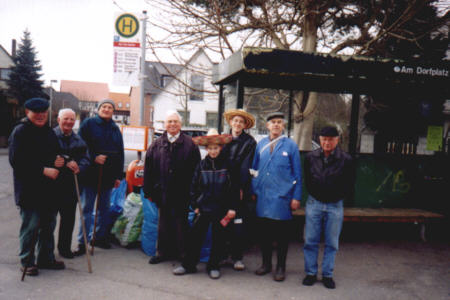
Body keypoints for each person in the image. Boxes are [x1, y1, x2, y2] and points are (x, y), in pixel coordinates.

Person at [9, 98, 66, 276]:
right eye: (36, 113)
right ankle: (27, 261)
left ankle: (45, 258)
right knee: (31, 226)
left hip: (48, 189)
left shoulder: (48, 132)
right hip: (30, 189)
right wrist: (43, 170)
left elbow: (56, 153)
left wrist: (59, 160)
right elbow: (17, 161)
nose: (41, 115)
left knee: (48, 225)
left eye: (44, 112)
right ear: (27, 112)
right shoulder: (20, 131)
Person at [173, 129, 238, 279]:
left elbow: (235, 188)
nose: (213, 151)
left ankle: (214, 266)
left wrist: (232, 208)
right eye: (210, 148)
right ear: (206, 149)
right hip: (203, 208)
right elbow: (193, 187)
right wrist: (195, 204)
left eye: (216, 148)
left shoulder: (229, 165)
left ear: (220, 148)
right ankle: (188, 265)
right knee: (195, 237)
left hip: (221, 208)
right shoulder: (201, 165)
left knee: (218, 239)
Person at [143, 110, 201, 264]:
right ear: (164, 125)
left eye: (175, 121)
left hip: (182, 192)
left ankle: (183, 255)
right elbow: (148, 169)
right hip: (162, 191)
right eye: (169, 122)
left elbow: (197, 171)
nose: (172, 124)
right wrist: (148, 190)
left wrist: (193, 193)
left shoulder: (190, 144)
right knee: (163, 223)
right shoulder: (156, 145)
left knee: (181, 224)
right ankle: (162, 253)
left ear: (180, 124)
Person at [251, 111, 301, 282]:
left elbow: (297, 174)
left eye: (279, 122)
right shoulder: (260, 145)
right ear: (267, 126)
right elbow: (254, 170)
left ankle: (281, 267)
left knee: (281, 236)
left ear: (283, 125)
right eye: (273, 122)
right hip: (263, 197)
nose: (276, 125)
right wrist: (254, 190)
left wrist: (296, 197)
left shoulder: (291, 146)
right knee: (264, 234)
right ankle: (266, 264)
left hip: (282, 198)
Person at [302, 126, 354, 289]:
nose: (327, 142)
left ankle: (327, 275)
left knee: (332, 242)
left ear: (337, 140)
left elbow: (349, 183)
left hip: (335, 205)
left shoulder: (346, 159)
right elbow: (308, 179)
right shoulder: (311, 157)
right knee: (310, 240)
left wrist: (335, 197)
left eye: (331, 139)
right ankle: (310, 273)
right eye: (324, 139)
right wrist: (317, 194)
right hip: (314, 203)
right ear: (319, 140)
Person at [74, 99, 124, 256]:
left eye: (110, 107)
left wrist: (118, 176)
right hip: (90, 174)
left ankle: (100, 237)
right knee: (87, 209)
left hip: (108, 176)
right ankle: (83, 242)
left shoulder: (115, 129)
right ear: (98, 109)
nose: (107, 109)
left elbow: (120, 153)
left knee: (104, 209)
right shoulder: (88, 124)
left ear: (113, 111)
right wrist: (94, 156)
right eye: (104, 107)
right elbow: (79, 144)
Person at [220, 109, 256, 271]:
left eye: (241, 122)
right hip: (222, 187)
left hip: (239, 188)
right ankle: (222, 255)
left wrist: (241, 187)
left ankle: (237, 257)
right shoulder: (223, 139)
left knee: (238, 222)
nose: (237, 124)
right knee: (222, 221)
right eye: (235, 121)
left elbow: (246, 166)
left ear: (245, 125)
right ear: (230, 122)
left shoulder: (250, 142)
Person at [53, 108, 90, 258]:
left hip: (70, 185)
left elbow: (86, 159)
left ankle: (64, 248)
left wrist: (79, 166)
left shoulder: (78, 140)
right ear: (58, 120)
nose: (68, 122)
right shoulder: (50, 136)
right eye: (65, 119)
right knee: (48, 221)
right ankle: (45, 252)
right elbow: (40, 156)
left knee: (68, 219)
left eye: (71, 119)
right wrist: (53, 161)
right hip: (52, 185)